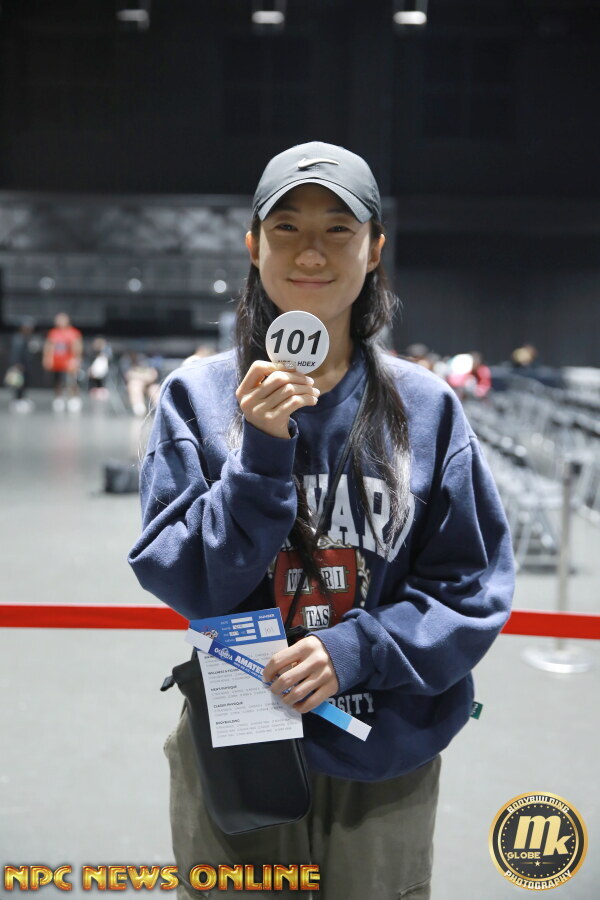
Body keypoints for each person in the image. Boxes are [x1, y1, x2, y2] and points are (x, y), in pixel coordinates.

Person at [128, 141, 514, 899]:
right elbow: (189, 582)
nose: (311, 252)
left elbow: (470, 590)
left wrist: (355, 649)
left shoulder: (426, 408)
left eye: (339, 229)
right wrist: (260, 456)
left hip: (383, 753)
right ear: (254, 246)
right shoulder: (197, 398)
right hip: (239, 750)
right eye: (287, 228)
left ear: (374, 249)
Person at [42, 312, 83, 412]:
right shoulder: (53, 332)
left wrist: (77, 359)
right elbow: (49, 346)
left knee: (72, 380)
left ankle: (73, 398)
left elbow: (77, 346)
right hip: (57, 361)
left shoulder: (73, 332)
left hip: (69, 361)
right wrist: (47, 358)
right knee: (58, 380)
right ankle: (58, 398)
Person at [7, 317, 36, 412]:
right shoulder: (18, 338)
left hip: (26, 366)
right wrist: (17, 364)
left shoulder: (27, 338)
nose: (29, 329)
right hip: (19, 366)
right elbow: (15, 353)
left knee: (24, 384)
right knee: (17, 384)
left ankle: (22, 399)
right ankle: (16, 401)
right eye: (27, 327)